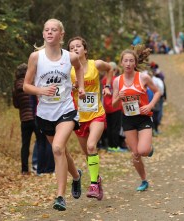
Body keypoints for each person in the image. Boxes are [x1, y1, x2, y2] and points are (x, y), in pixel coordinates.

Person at [23, 18, 85, 211]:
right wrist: (41, 91)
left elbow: (79, 68)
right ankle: (76, 176)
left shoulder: (70, 57)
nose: (49, 32)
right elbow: (26, 86)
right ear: (43, 34)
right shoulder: (36, 57)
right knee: (62, 151)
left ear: (61, 35)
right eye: (46, 30)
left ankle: (60, 196)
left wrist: (81, 87)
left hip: (66, 109)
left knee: (57, 148)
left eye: (54, 30)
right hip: (45, 114)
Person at [67, 36, 113, 200]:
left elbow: (110, 69)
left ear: (85, 49)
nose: (75, 50)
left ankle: (93, 184)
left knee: (92, 146)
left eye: (78, 46)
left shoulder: (96, 64)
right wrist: (70, 87)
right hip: (79, 118)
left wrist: (107, 86)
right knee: (88, 154)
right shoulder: (68, 69)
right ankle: (98, 179)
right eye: (71, 48)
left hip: (96, 114)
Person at [112, 48, 161, 191]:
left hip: (143, 117)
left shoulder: (143, 78)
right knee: (135, 154)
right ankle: (144, 180)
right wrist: (119, 97)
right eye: (125, 61)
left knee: (143, 150)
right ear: (121, 63)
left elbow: (158, 92)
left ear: (135, 63)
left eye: (131, 61)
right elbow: (114, 104)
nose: (128, 63)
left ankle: (149, 149)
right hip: (127, 119)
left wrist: (150, 105)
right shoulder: (117, 81)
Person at [13, 63, 41, 175]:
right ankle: (37, 164)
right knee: (40, 140)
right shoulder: (30, 84)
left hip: (24, 119)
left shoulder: (15, 87)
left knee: (25, 144)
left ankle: (24, 170)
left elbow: (16, 104)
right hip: (35, 117)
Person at [101, 62, 127, 152]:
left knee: (109, 127)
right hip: (116, 107)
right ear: (114, 70)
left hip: (106, 107)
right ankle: (115, 146)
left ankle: (110, 146)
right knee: (116, 127)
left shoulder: (104, 80)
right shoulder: (117, 80)